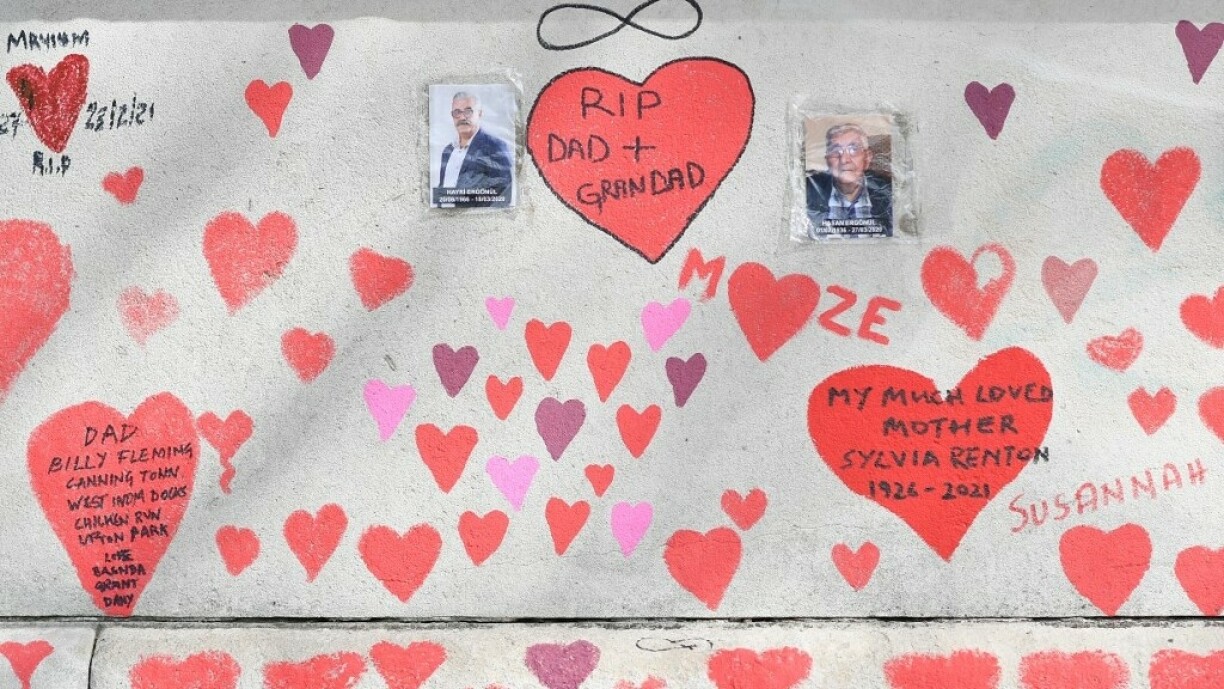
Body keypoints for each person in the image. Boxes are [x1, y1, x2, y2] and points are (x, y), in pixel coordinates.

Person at [805, 122, 892, 237]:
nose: (844, 159)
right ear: (827, 160)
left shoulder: (890, 192)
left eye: (854, 149)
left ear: (867, 157)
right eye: (836, 151)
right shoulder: (808, 190)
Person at [435, 91, 513, 208]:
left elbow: (504, 195)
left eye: (468, 111)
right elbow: (442, 192)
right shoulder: (448, 151)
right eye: (457, 112)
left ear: (480, 114)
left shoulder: (495, 147)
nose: (462, 117)